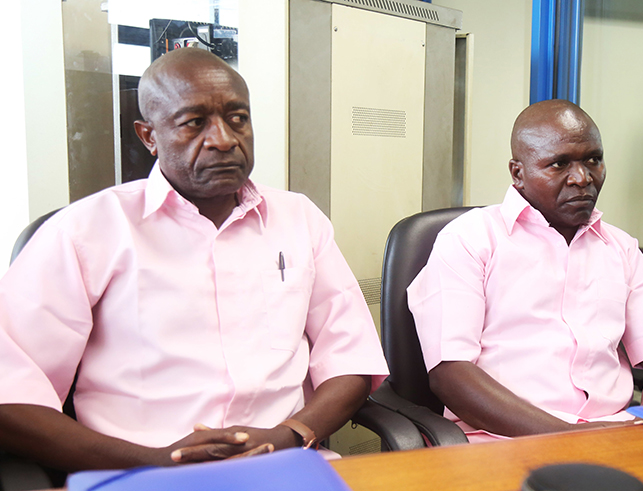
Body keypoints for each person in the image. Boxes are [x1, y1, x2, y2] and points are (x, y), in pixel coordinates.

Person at [0, 48, 388, 471]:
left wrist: (290, 434)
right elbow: (10, 393)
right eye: (194, 123)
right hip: (134, 471)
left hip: (283, 464)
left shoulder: (299, 219)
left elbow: (351, 358)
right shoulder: (86, 231)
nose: (224, 139)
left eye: (237, 118)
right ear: (149, 136)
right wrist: (155, 461)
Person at [408, 99, 643, 443]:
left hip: (618, 436)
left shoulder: (621, 248)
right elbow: (450, 374)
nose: (582, 178)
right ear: (518, 173)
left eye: (593, 159)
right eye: (559, 164)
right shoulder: (469, 240)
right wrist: (571, 437)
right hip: (502, 441)